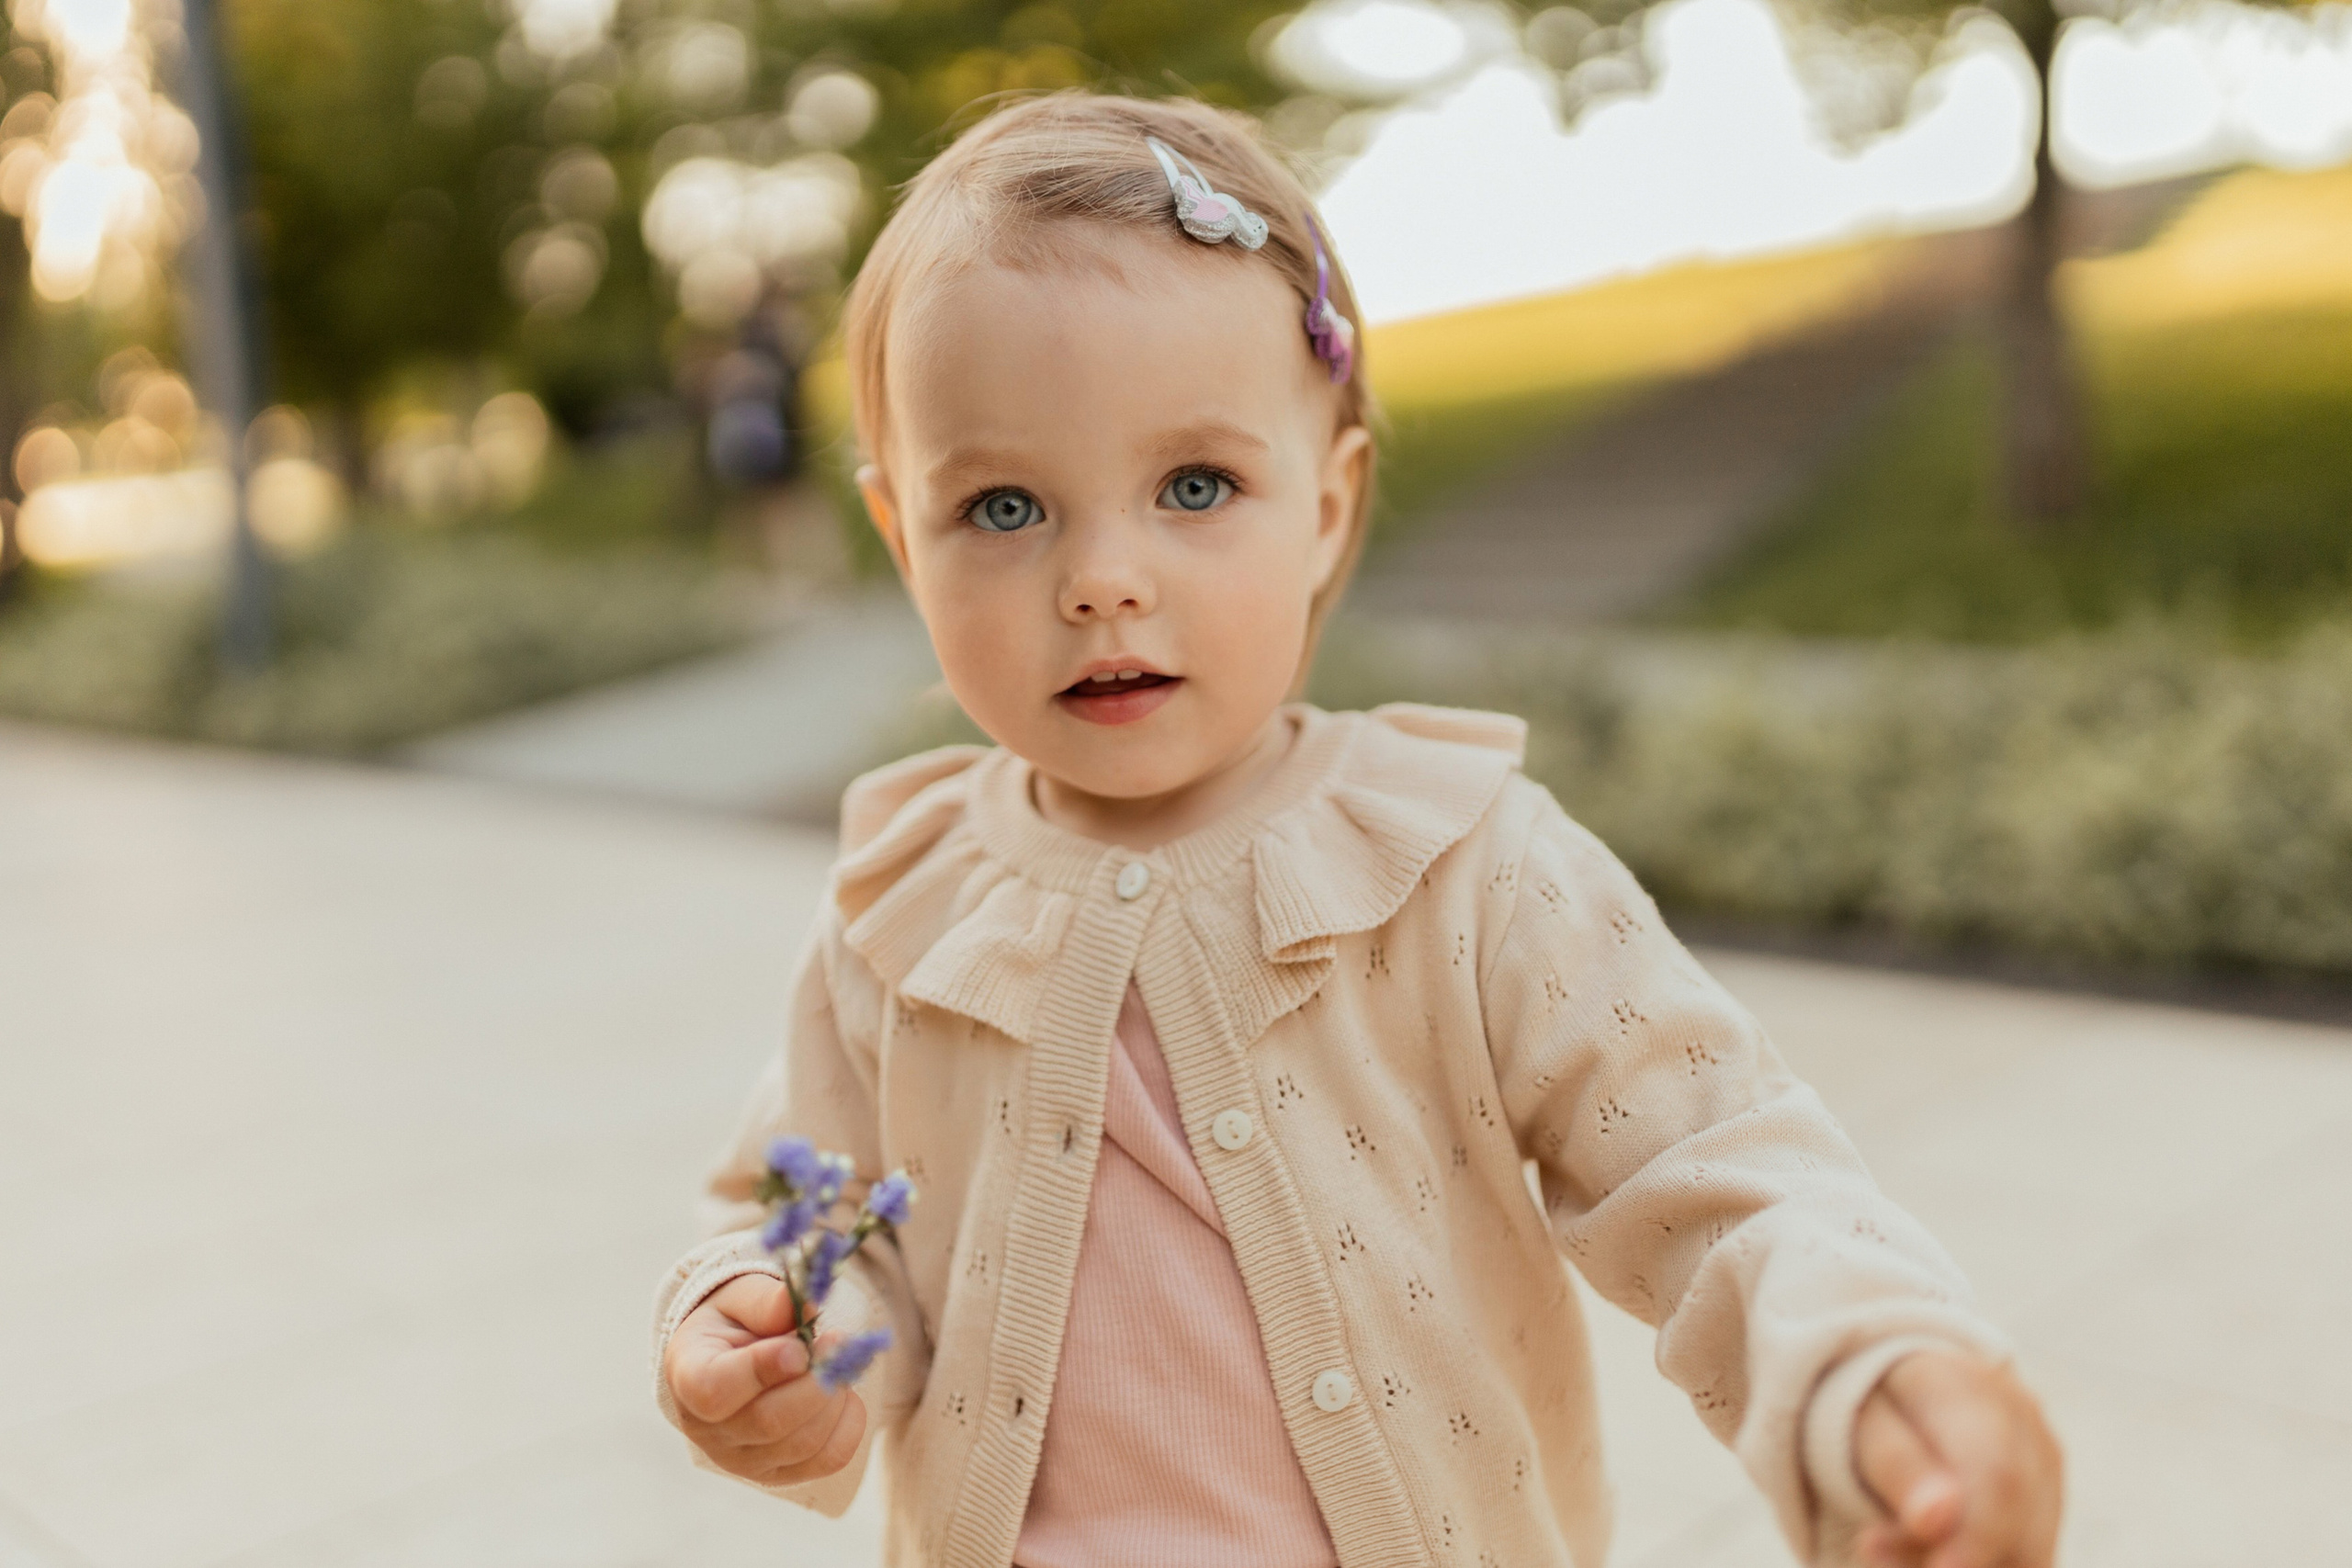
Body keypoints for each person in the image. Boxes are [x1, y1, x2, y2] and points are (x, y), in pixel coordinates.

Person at [652, 92, 2062, 1568]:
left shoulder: (1465, 866)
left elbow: (1720, 1171)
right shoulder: (906, 901)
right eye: (1004, 508)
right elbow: (809, 1210)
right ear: (901, 541)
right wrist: (768, 1333)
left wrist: (1872, 1367)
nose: (1101, 579)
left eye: (1196, 485)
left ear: (1328, 506)